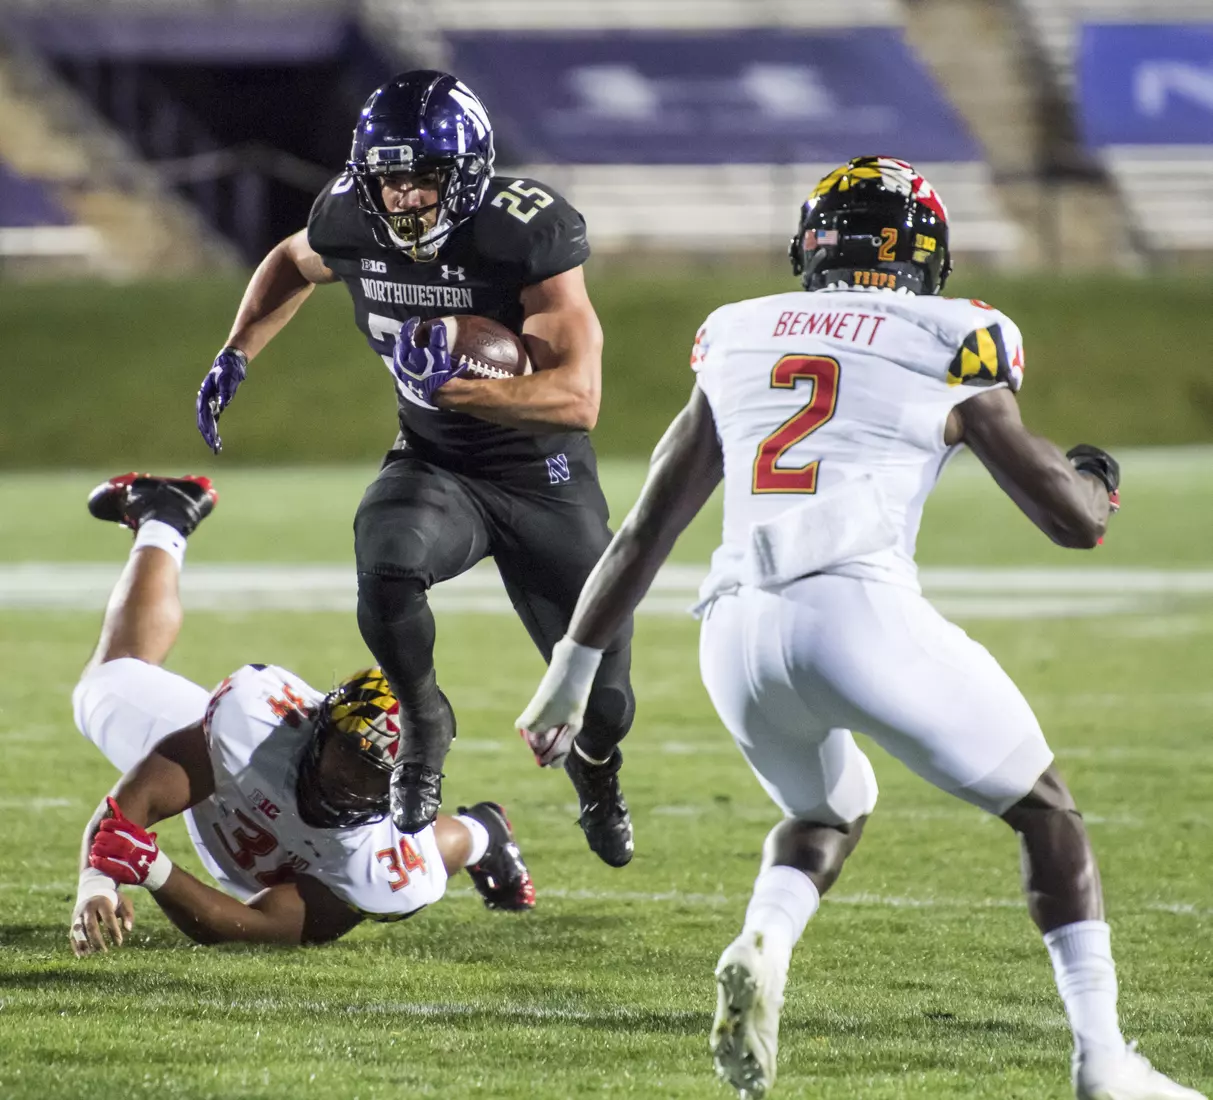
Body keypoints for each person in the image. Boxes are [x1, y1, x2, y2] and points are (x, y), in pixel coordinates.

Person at [517, 157, 1204, 1100]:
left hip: (735, 634)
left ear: (812, 245)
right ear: (924, 251)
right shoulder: (952, 330)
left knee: (824, 809)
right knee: (1045, 809)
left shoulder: (738, 332)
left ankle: (765, 941)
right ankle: (1103, 1060)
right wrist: (1096, 475)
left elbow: (644, 530)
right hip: (853, 613)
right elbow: (1070, 520)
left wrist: (570, 672)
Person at [192, 69, 634, 867]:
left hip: (543, 479)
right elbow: (292, 260)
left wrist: (462, 387)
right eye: (390, 180)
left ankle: (597, 777)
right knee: (386, 553)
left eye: (424, 179)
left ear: (465, 175)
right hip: (438, 464)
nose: (404, 200)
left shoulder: (521, 231)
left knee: (605, 704)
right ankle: (424, 724)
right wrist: (236, 351)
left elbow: (578, 399)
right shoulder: (347, 215)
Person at [69, 473, 535, 957]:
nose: (346, 782)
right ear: (320, 727)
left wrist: (155, 870)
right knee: (101, 688)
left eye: (372, 775)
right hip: (226, 799)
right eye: (346, 756)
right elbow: (130, 807)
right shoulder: (255, 730)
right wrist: (98, 882)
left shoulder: (384, 865)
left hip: (308, 864)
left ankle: (484, 833)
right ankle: (165, 516)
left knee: (424, 849)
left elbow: (257, 923)